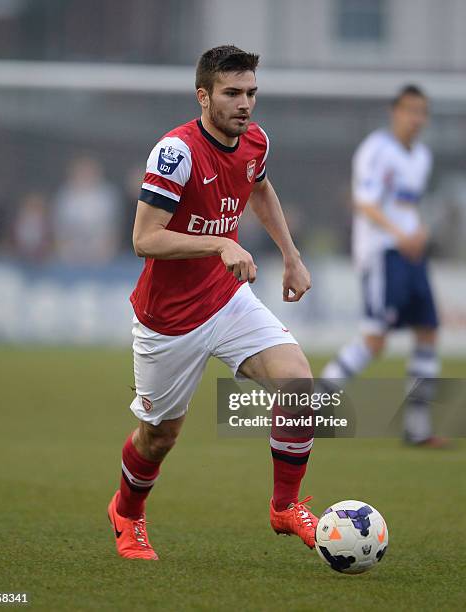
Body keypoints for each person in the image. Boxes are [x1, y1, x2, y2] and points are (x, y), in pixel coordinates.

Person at [107, 45, 318, 560]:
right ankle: (127, 514)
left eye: (250, 93)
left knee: (298, 385)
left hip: (226, 301)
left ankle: (284, 507)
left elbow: (259, 189)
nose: (244, 104)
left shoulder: (256, 141)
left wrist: (291, 255)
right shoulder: (175, 153)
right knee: (159, 438)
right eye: (231, 93)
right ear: (203, 96)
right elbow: (144, 239)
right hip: (169, 320)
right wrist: (221, 243)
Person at [321, 85, 445, 447]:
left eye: (422, 112)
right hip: (383, 255)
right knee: (375, 340)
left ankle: (417, 429)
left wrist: (418, 229)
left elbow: (406, 206)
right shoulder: (377, 150)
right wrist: (398, 235)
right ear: (395, 112)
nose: (416, 118)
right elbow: (365, 203)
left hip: (411, 254)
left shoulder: (421, 156)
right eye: (410, 110)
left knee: (428, 331)